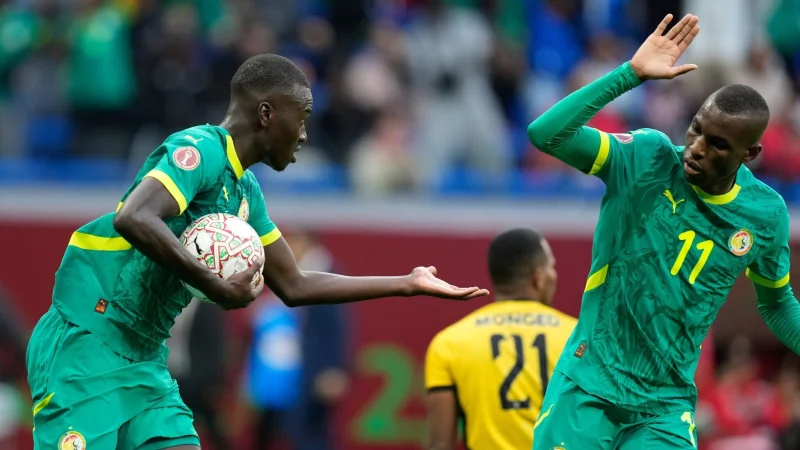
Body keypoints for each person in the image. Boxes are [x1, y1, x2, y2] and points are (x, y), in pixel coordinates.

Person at [25, 54, 489, 450]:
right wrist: (212, 284)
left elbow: (294, 282)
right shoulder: (199, 149)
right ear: (267, 113)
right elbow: (135, 217)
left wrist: (406, 283)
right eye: (302, 115)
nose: (305, 133)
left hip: (144, 359)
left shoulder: (245, 193)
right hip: (87, 340)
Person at [527, 13, 800, 450]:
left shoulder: (765, 215)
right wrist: (629, 75)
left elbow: (778, 305)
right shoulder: (648, 158)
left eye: (717, 145)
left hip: (664, 408)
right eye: (696, 129)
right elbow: (546, 134)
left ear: (750, 154)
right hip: (588, 386)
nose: (695, 148)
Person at [424, 228, 577, 450]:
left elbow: (440, 444)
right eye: (551, 266)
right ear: (539, 278)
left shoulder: (450, 342)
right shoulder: (577, 338)